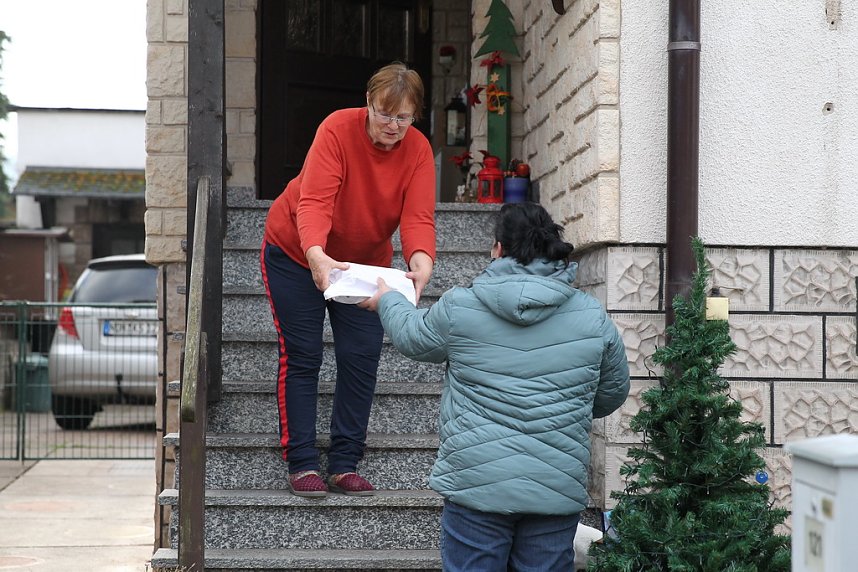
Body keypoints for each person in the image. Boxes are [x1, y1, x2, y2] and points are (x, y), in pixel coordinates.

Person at [365, 201, 630, 570]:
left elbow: (413, 336)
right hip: (553, 485)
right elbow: (613, 391)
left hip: (476, 484)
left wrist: (388, 300)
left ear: (498, 249)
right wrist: (568, 404)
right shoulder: (591, 316)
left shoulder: (461, 307)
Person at [260, 62, 436, 498]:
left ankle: (344, 464)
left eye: (403, 117)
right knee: (303, 355)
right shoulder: (337, 129)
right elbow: (315, 201)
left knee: (360, 357)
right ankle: (302, 462)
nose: (393, 125)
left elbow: (417, 218)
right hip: (297, 253)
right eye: (384, 113)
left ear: (414, 116)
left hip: (364, 266)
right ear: (368, 102)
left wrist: (421, 263)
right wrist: (316, 256)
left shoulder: (417, 150)